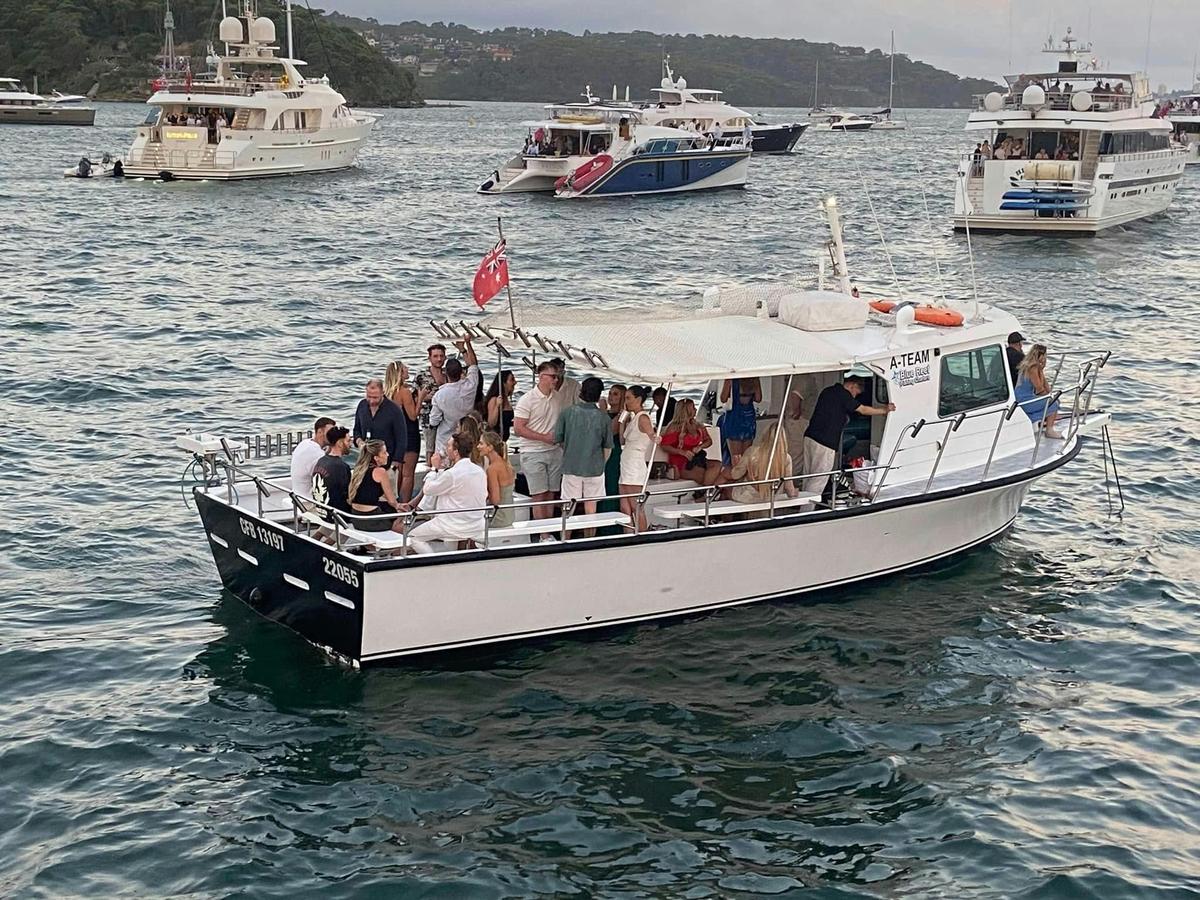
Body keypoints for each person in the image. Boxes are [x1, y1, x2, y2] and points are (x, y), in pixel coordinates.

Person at [802, 375, 894, 496]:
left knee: (808, 475)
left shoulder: (827, 391)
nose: (855, 396)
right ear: (852, 385)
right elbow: (863, 410)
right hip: (825, 442)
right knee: (819, 479)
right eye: (856, 393)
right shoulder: (843, 395)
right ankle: (807, 511)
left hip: (810, 437)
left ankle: (801, 502)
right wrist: (884, 410)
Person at [405, 433, 488, 554]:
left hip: (452, 524)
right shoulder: (479, 471)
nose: (445, 448)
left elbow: (428, 489)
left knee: (413, 537)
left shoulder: (452, 474)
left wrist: (434, 469)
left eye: (448, 446)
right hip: (476, 523)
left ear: (456, 452)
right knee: (449, 542)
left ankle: (434, 562)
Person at [554, 376, 613, 535]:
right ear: (599, 394)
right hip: (595, 467)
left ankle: (564, 538)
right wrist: (601, 463)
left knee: (568, 507)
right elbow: (607, 447)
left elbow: (558, 439)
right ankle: (589, 539)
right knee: (591, 508)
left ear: (581, 391)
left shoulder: (567, 413)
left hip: (571, 465)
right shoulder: (603, 417)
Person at [513, 361, 565, 526]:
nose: (556, 380)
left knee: (551, 493)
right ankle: (542, 532)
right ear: (541, 377)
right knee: (538, 494)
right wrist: (544, 437)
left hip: (554, 451)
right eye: (553, 377)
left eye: (557, 377)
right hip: (533, 452)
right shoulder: (527, 400)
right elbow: (518, 429)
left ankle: (548, 528)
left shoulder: (557, 397)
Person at [724, 423, 798, 516]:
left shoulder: (752, 451)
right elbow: (789, 488)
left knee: (725, 488)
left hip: (748, 496)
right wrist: (795, 492)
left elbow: (735, 475)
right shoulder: (786, 458)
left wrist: (735, 465)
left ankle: (724, 522)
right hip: (771, 497)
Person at [428, 338, 480, 460]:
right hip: (466, 436)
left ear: (446, 373)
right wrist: (466, 344)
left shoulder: (440, 395)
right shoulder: (470, 385)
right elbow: (473, 365)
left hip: (445, 439)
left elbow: (434, 421)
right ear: (461, 371)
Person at [618, 385, 660, 533]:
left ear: (639, 399)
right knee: (624, 506)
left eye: (628, 398)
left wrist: (655, 437)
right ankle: (628, 534)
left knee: (636, 505)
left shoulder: (642, 417)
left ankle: (642, 533)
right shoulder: (633, 418)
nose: (626, 401)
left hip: (634, 464)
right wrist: (623, 417)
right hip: (626, 463)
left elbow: (650, 432)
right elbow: (622, 440)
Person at [351, 378, 407, 488]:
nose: (371, 401)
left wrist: (394, 466)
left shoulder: (394, 410)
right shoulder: (362, 406)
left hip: (387, 462)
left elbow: (402, 439)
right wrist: (359, 441)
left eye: (375, 397)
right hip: (365, 462)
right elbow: (356, 430)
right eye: (369, 397)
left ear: (383, 393)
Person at [662, 399, 723, 488]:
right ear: (686, 411)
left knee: (718, 464)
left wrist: (700, 447)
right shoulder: (674, 427)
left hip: (696, 459)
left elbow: (708, 441)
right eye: (693, 408)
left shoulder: (697, 425)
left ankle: (703, 492)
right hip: (681, 462)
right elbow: (664, 446)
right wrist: (682, 452)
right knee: (702, 474)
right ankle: (705, 493)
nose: (695, 410)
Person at [384, 360, 421, 503]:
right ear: (399, 373)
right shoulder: (404, 392)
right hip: (409, 433)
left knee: (398, 471)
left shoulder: (388, 393)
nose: (408, 369)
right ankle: (405, 504)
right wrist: (421, 398)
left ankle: (395, 501)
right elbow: (412, 415)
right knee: (408, 474)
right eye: (405, 368)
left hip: (395, 435)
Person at [347, 439, 404, 532]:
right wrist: (399, 506)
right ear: (376, 458)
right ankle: (397, 543)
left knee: (386, 508)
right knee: (401, 516)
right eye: (384, 453)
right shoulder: (380, 472)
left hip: (356, 516)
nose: (388, 455)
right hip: (371, 520)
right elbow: (392, 501)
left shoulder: (359, 469)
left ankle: (369, 546)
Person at [1014, 344, 1062, 438]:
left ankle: (1043, 422)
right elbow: (1039, 389)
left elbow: (1047, 388)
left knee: (1053, 400)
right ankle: (1049, 430)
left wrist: (1042, 370)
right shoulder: (1032, 368)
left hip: (1026, 398)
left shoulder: (1035, 367)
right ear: (1039, 355)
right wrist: (1050, 398)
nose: (1045, 358)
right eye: (1044, 355)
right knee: (1054, 403)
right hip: (1023, 400)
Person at [309, 426, 352, 522]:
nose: (351, 444)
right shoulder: (341, 467)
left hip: (321, 511)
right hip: (336, 515)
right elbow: (349, 495)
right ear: (340, 443)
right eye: (348, 441)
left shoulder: (322, 460)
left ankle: (318, 536)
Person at [415, 343, 448, 464]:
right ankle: (430, 469)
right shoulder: (421, 375)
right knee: (430, 447)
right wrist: (423, 398)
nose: (439, 359)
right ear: (429, 358)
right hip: (427, 417)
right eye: (435, 356)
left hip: (447, 416)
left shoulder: (448, 374)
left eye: (441, 356)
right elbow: (413, 397)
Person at [290, 415, 336, 501]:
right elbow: (328, 479)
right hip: (307, 501)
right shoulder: (316, 453)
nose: (333, 435)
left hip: (297, 495)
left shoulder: (305, 443)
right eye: (330, 432)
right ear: (319, 432)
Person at [479, 430, 516, 529]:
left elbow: (495, 500)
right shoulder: (507, 465)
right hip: (510, 515)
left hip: (498, 517)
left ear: (490, 447)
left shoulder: (493, 469)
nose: (478, 447)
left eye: (481, 443)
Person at [720, 376, 761, 459]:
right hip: (748, 418)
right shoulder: (754, 378)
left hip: (734, 418)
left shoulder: (731, 379)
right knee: (746, 458)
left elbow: (723, 399)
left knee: (736, 458)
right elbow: (758, 398)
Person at [780, 384, 808, 476]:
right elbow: (795, 395)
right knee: (796, 452)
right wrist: (796, 412)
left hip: (796, 420)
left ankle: (791, 478)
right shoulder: (803, 378)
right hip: (798, 421)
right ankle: (790, 479)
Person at [485, 370, 517, 439]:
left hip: (503, 439)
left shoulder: (506, 400)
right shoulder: (494, 399)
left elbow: (507, 421)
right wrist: (497, 406)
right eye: (512, 380)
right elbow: (491, 423)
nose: (515, 382)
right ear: (504, 383)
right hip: (494, 440)